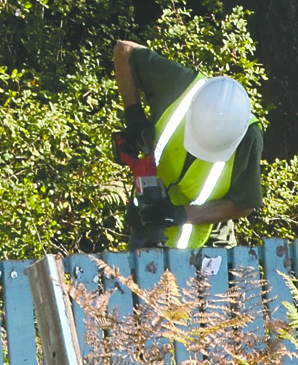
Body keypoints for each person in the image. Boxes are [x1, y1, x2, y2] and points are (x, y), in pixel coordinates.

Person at [110, 39, 262, 249]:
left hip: (207, 243)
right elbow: (123, 51)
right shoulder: (178, 85)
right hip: (143, 226)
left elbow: (244, 204)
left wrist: (180, 214)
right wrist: (134, 115)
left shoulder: (249, 137)